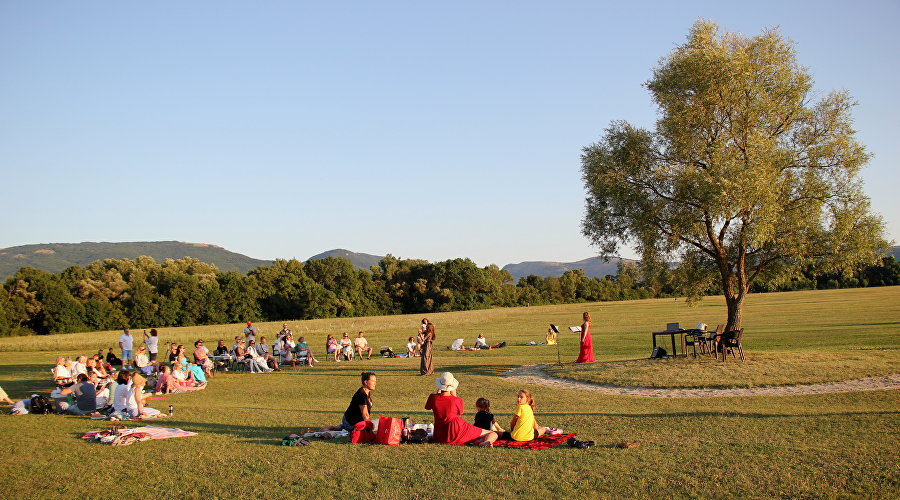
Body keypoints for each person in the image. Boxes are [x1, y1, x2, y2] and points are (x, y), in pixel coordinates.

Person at [425, 372, 497, 447]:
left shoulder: (433, 397)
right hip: (457, 429)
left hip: (440, 434)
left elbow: (428, 406)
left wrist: (440, 390)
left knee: (478, 435)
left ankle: (481, 441)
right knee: (492, 433)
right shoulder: (456, 400)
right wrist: (454, 394)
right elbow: (460, 412)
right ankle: (487, 441)